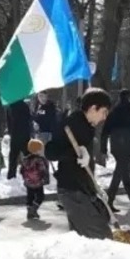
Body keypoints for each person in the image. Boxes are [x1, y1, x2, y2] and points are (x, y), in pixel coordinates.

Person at [46, 89, 114, 239]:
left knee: (82, 241)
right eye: (103, 112)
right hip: (72, 190)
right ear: (93, 108)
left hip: (83, 189)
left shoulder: (87, 126)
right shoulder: (71, 123)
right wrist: (74, 153)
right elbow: (50, 151)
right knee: (103, 238)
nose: (104, 117)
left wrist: (95, 188)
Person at [104, 89, 130, 210]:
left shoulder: (114, 111)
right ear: (129, 97)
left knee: (124, 172)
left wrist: (103, 147)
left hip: (115, 144)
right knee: (120, 172)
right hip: (127, 144)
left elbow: (106, 129)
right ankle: (109, 200)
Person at [20, 137, 50, 221]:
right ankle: (34, 208)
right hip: (38, 182)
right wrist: (45, 179)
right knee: (40, 196)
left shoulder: (25, 160)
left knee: (30, 196)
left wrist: (26, 178)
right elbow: (43, 170)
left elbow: (21, 170)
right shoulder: (40, 160)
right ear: (37, 150)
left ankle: (30, 210)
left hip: (29, 182)